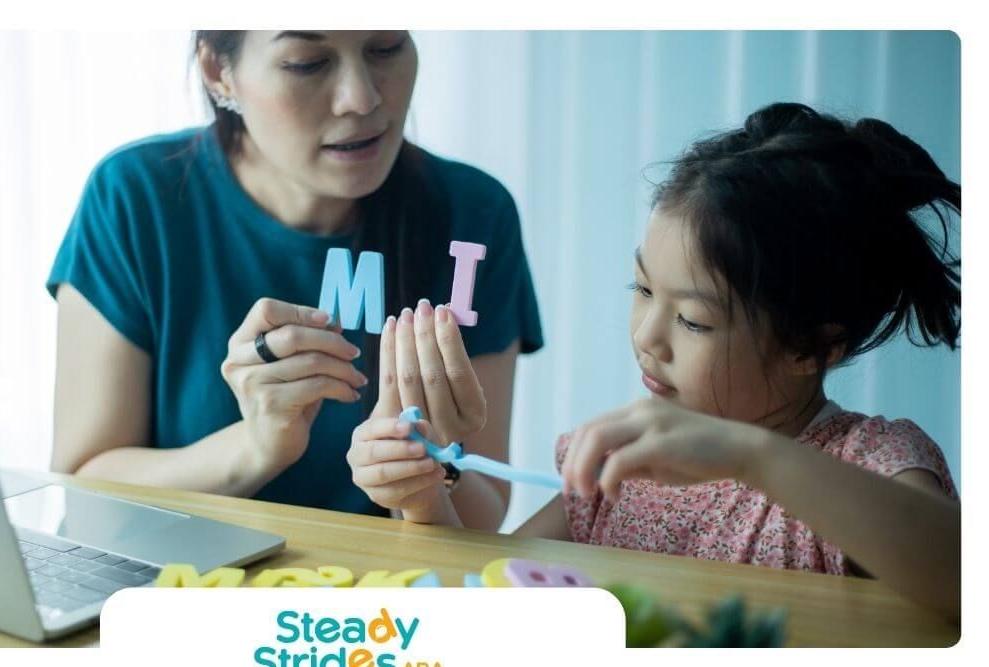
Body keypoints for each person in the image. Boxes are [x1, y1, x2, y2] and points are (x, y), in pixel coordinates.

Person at [361, 102, 961, 619]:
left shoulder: (872, 462)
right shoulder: (620, 468)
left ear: (813, 346)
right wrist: (423, 497)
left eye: (693, 320)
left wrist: (749, 456)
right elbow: (494, 596)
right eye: (643, 291)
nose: (648, 336)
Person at [47, 31, 543, 529]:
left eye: (387, 46)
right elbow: (84, 489)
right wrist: (257, 445)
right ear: (219, 72)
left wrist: (427, 471)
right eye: (307, 63)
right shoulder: (134, 198)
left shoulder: (474, 214)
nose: (362, 97)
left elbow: (484, 515)